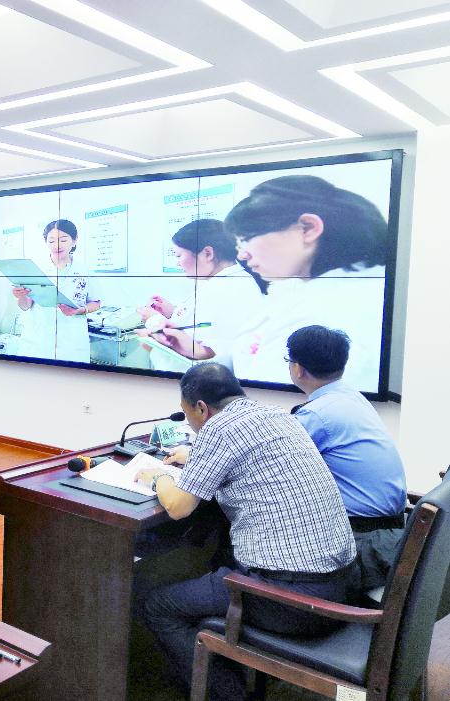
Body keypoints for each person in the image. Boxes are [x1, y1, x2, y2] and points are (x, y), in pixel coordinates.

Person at [135, 362, 356, 700]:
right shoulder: (277, 416)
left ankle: (228, 694)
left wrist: (160, 477)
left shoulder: (219, 428)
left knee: (159, 605)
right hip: (342, 584)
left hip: (291, 600)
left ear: (201, 408)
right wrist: (195, 456)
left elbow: (178, 507)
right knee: (216, 558)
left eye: (188, 413)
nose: (191, 423)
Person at [225, 175, 389, 387]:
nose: (242, 255)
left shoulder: (329, 306)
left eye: (246, 239)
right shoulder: (351, 289)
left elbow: (270, 385)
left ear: (308, 228)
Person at [286, 325, 407, 590]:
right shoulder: (351, 397)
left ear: (298, 369)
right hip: (393, 536)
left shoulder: (316, 415)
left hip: (361, 542)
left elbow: (267, 466)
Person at [135, 219, 263, 370]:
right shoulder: (230, 282)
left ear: (208, 253)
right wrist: (173, 313)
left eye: (179, 255)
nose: (178, 263)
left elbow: (209, 358)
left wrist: (154, 324)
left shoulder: (225, 289)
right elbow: (208, 331)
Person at [12, 219, 100, 363]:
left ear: (74, 240)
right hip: (38, 340)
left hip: (72, 341)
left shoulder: (85, 269)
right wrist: (20, 296)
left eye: (63, 240)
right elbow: (25, 306)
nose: (57, 245)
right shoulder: (36, 269)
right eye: (51, 241)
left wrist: (80, 310)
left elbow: (96, 303)